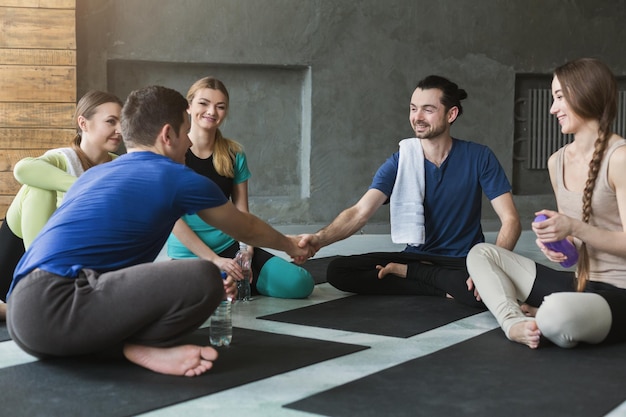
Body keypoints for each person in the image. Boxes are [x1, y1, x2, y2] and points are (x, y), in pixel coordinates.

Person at [6, 85, 311, 377]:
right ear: (167, 135)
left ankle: (120, 347)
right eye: (184, 131)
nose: (190, 143)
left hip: (22, 316)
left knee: (198, 279)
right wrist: (290, 244)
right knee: (205, 276)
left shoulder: (95, 175)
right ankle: (137, 346)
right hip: (56, 308)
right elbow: (245, 226)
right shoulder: (175, 176)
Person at [298, 75, 521, 307]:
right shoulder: (401, 161)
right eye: (413, 109)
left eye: (428, 110)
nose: (417, 117)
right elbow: (359, 213)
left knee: (489, 287)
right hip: (416, 257)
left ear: (451, 114)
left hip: (463, 260)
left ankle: (418, 278)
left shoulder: (479, 157)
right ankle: (442, 286)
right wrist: (319, 239)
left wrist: (489, 267)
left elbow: (511, 220)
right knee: (338, 271)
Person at [467, 58, 626, 349]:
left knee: (556, 312)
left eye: (559, 97)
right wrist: (560, 246)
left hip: (621, 293)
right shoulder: (557, 161)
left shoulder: (620, 158)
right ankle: (514, 323)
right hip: (580, 284)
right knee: (480, 253)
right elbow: (576, 255)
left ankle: (548, 316)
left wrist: (574, 227)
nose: (552, 109)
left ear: (585, 93)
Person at [167, 77, 314, 298]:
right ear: (189, 106)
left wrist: (246, 252)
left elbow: (242, 212)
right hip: (190, 254)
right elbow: (173, 221)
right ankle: (222, 286)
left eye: (220, 106)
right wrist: (214, 260)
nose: (211, 111)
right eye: (203, 103)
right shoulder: (173, 153)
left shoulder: (234, 154)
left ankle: (234, 282)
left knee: (299, 283)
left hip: (229, 247)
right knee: (206, 296)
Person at [0, 90, 123, 320]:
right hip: (14, 263)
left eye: (122, 122)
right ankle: (33, 287)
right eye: (111, 121)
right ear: (83, 123)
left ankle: (29, 302)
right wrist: (84, 186)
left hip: (71, 267)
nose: (120, 129)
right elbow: (22, 169)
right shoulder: (63, 158)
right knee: (36, 185)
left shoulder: (117, 166)